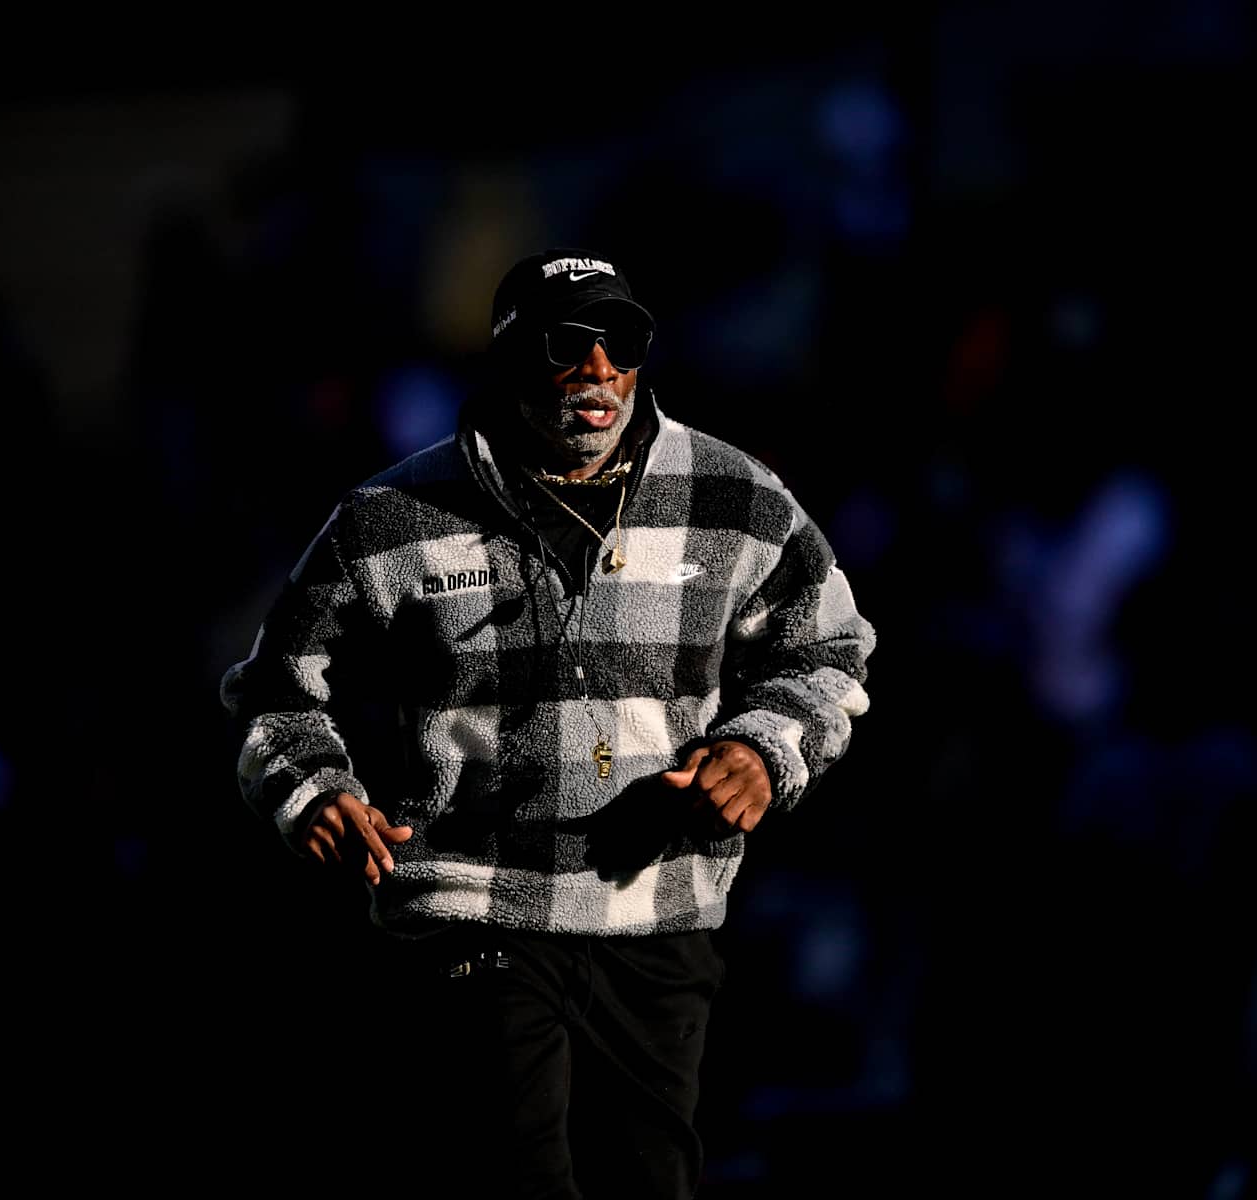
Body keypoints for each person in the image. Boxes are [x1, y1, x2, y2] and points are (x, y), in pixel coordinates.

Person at [218, 246, 876, 1197]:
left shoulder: (735, 497)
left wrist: (766, 749)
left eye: (625, 342)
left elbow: (830, 651)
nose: (600, 370)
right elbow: (275, 689)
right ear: (512, 358)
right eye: (570, 345)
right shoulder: (390, 518)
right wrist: (314, 792)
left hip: (658, 912)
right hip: (473, 904)